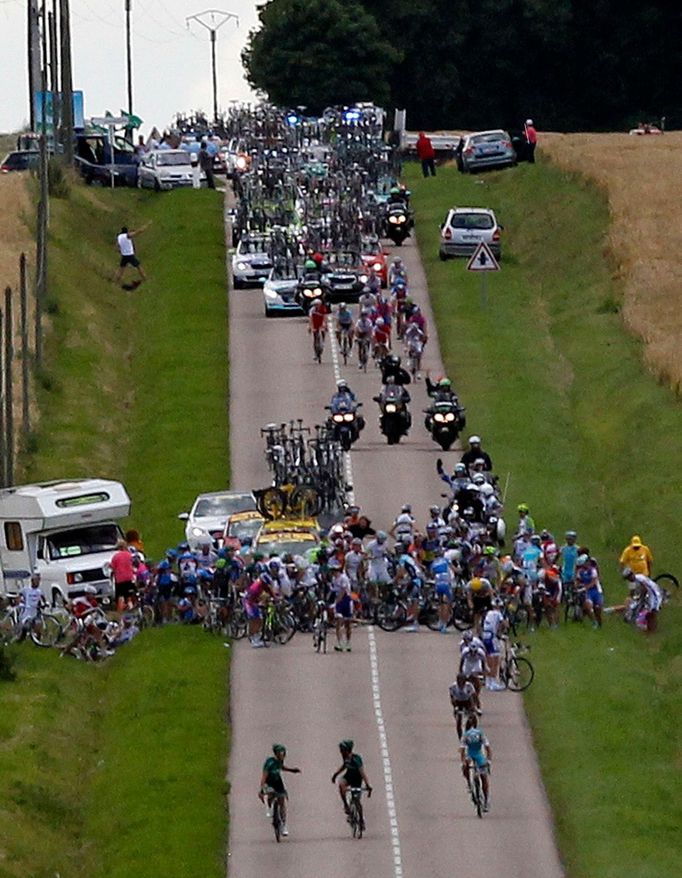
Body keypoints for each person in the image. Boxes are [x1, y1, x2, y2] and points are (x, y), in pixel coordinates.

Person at [259, 744, 301, 837]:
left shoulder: (280, 761)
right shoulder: (269, 762)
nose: (282, 755)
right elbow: (264, 775)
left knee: (282, 801)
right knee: (269, 795)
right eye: (280, 753)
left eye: (283, 753)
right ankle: (269, 809)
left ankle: (283, 824)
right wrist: (262, 787)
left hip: (278, 782)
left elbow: (281, 767)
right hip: (269, 782)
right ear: (276, 753)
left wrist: (292, 770)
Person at [331, 740, 372, 819]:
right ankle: (346, 805)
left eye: (342, 750)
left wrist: (367, 784)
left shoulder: (356, 759)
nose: (341, 752)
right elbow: (344, 766)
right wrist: (335, 775)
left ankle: (361, 819)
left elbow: (362, 773)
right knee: (341, 785)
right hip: (348, 777)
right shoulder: (345, 757)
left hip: (357, 779)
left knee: (356, 800)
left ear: (347, 750)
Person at [460, 726, 492, 812]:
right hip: (475, 755)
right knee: (483, 776)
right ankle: (471, 784)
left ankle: (470, 784)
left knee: (468, 766)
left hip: (474, 755)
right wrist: (488, 760)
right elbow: (488, 748)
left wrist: (463, 761)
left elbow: (462, 750)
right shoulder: (479, 734)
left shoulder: (467, 735)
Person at [622, 567, 662, 632]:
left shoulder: (639, 579)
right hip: (650, 594)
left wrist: (641, 598)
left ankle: (653, 628)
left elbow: (644, 590)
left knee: (653, 610)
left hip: (654, 593)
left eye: (629, 578)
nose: (629, 580)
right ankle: (650, 627)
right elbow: (632, 591)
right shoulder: (635, 579)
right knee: (648, 610)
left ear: (631, 575)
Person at [243, 572, 276, 647]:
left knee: (260, 621)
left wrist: (274, 597)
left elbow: (269, 590)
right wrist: (262, 602)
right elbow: (256, 598)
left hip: (254, 601)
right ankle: (254, 640)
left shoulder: (262, 584)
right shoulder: (256, 587)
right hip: (249, 603)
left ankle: (257, 637)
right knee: (255, 620)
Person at [329, 559, 354, 652]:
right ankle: (339, 642)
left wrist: (336, 602)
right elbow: (333, 591)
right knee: (339, 622)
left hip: (346, 601)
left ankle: (348, 642)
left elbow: (343, 592)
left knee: (347, 623)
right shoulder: (333, 579)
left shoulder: (343, 578)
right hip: (338, 601)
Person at [449, 672, 478, 738]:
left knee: (472, 716)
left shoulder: (469, 686)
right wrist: (455, 707)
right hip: (458, 702)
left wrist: (474, 706)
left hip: (467, 701)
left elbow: (473, 696)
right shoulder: (453, 687)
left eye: (463, 682)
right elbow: (452, 698)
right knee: (459, 720)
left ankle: (468, 729)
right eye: (459, 683)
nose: (461, 685)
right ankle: (460, 736)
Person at [110, 539, 136, 607]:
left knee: (120, 595)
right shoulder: (129, 555)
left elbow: (113, 567)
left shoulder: (115, 557)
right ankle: (131, 606)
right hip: (129, 577)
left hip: (120, 579)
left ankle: (121, 608)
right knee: (128, 594)